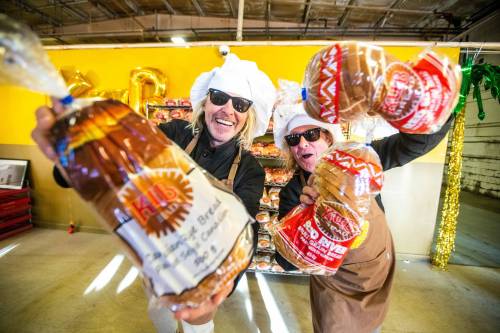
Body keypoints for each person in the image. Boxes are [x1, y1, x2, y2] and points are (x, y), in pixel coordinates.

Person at [31, 53, 276, 333]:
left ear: (248, 115)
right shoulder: (173, 133)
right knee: (161, 316)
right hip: (157, 255)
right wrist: (75, 154)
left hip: (203, 268)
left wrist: (227, 282)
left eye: (240, 104)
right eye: (219, 97)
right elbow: (119, 158)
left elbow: (247, 231)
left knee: (197, 324)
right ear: (206, 102)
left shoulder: (250, 168)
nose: (227, 110)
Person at [273, 103, 452, 333]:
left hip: (376, 273)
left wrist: (422, 106)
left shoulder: (359, 160)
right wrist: (307, 218)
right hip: (335, 288)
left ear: (328, 137)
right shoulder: (292, 192)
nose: (302, 144)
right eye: (293, 140)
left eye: (311, 134)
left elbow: (417, 143)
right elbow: (285, 262)